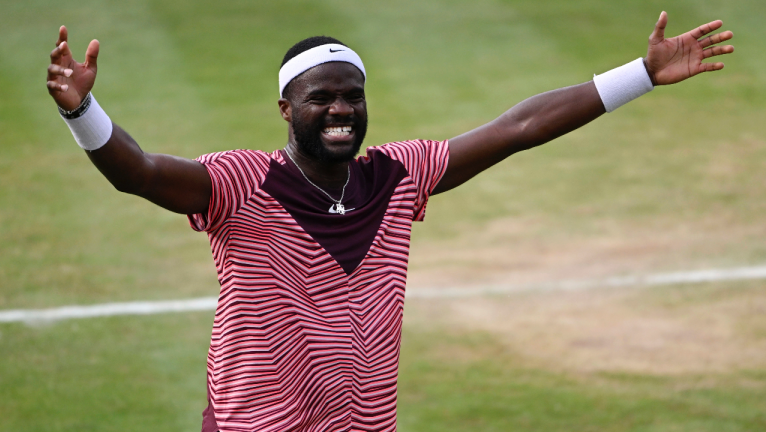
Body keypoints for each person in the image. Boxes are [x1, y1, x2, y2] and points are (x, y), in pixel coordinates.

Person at [46, 12, 733, 432]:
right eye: (322, 98)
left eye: (352, 96)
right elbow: (137, 171)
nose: (340, 109)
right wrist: (83, 113)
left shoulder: (398, 179)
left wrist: (639, 74)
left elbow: (518, 127)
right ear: (287, 109)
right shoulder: (239, 183)